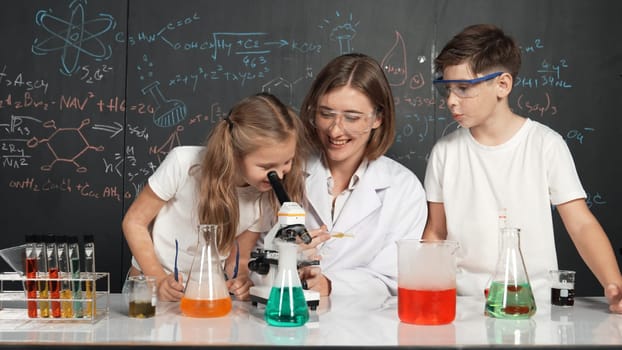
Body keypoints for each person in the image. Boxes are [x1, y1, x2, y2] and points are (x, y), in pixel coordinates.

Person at [423, 23, 622, 312]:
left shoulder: (545, 145)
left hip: (532, 305)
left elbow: (580, 224)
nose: (452, 100)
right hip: (463, 305)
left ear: (502, 85)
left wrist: (614, 284)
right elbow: (436, 233)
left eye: (464, 88)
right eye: (448, 89)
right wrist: (428, 292)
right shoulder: (445, 152)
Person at [122, 92, 309, 302]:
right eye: (266, 167)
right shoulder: (183, 163)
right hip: (150, 290)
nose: (280, 174)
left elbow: (239, 256)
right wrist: (157, 279)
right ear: (235, 153)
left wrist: (242, 279)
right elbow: (134, 222)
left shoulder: (264, 195)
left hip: (203, 293)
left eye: (287, 162)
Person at [297, 53, 428, 297]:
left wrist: (329, 285)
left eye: (352, 117)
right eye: (326, 114)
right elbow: (255, 255)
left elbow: (393, 278)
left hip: (366, 326)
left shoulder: (403, 188)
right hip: (286, 323)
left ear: (378, 118)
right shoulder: (287, 172)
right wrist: (287, 257)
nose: (335, 130)